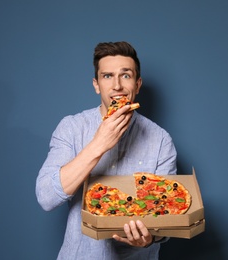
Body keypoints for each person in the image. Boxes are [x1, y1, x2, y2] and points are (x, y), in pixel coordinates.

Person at [36, 41, 177, 259]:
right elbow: (46, 196)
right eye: (108, 76)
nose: (117, 86)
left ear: (138, 84)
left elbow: (167, 218)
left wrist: (150, 238)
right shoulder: (72, 128)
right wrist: (99, 144)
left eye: (126, 75)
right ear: (96, 84)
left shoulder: (160, 140)